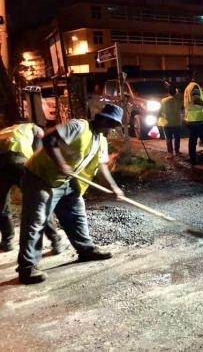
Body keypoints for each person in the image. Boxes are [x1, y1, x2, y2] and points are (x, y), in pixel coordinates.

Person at [17, 104, 125, 284]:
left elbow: (101, 166)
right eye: (113, 126)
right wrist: (61, 163)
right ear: (105, 121)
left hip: (66, 181)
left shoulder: (100, 140)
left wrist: (114, 188)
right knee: (36, 221)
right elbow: (49, 138)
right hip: (41, 177)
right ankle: (27, 267)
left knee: (76, 213)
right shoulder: (78, 126)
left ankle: (86, 250)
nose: (112, 130)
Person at [0, 123, 67, 254]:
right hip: (19, 161)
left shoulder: (5, 131)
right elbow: (38, 153)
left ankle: (7, 241)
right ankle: (56, 241)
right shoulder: (34, 128)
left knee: (1, 206)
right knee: (39, 203)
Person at [183, 72, 203, 164]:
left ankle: (194, 159)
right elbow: (196, 100)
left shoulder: (189, 87)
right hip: (197, 120)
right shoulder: (195, 86)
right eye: (202, 77)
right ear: (196, 77)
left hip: (191, 119)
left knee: (194, 140)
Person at [158, 85, 182, 156]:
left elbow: (159, 111)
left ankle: (170, 152)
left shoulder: (163, 101)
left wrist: (158, 119)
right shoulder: (179, 100)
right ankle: (177, 152)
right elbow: (182, 108)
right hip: (176, 122)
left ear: (168, 92)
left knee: (168, 138)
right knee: (177, 137)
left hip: (167, 122)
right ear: (175, 92)